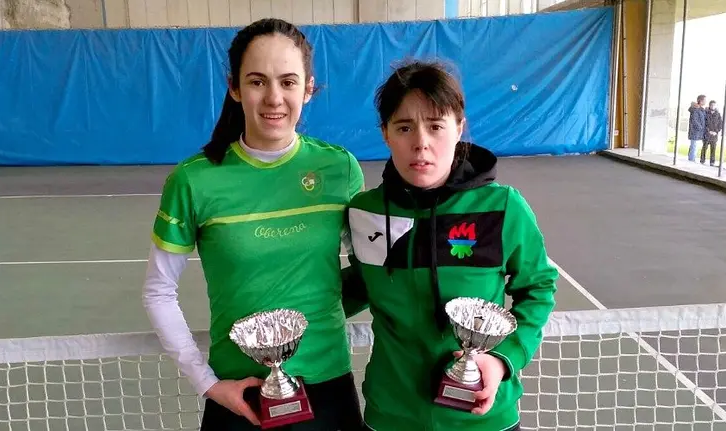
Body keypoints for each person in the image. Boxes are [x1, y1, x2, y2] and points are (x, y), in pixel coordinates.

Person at [142, 18, 366, 431]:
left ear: (308, 88)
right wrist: (207, 383)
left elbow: (372, 273)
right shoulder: (193, 180)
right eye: (258, 81)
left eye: (288, 81)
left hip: (330, 390)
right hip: (239, 397)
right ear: (234, 88)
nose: (274, 97)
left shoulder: (339, 169)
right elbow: (159, 292)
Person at [344, 60, 558, 431]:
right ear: (386, 134)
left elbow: (538, 289)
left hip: (483, 418)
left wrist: (502, 359)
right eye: (404, 127)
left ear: (458, 128)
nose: (421, 143)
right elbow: (361, 286)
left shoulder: (502, 207)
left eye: (435, 126)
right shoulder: (365, 212)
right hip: (391, 416)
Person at [702, 99, 723, 166]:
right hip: (707, 134)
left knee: (713, 149)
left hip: (714, 135)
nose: (712, 106)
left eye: (714, 105)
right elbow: (703, 123)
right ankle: (702, 160)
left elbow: (720, 124)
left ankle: (712, 162)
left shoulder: (718, 114)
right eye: (711, 105)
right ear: (709, 105)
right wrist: (708, 131)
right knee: (704, 147)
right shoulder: (705, 113)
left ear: (715, 106)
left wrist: (716, 132)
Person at [688, 95, 707, 162]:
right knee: (694, 146)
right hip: (695, 131)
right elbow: (694, 120)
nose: (705, 101)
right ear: (700, 101)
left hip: (699, 132)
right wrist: (701, 128)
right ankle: (691, 160)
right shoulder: (695, 109)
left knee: (694, 146)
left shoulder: (702, 109)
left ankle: (691, 159)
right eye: (704, 100)